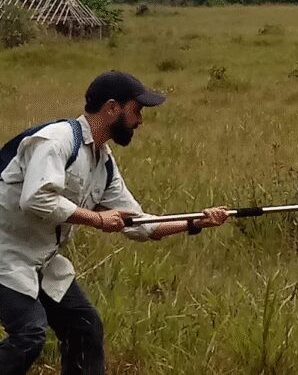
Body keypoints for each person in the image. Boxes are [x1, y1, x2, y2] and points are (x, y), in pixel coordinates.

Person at [0, 71, 230, 375]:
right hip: (5, 255)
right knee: (29, 333)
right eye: (136, 110)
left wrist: (196, 221)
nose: (140, 121)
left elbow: (139, 224)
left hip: (38, 259)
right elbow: (36, 199)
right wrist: (96, 219)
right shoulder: (57, 141)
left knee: (84, 325)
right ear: (111, 108)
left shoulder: (103, 164)